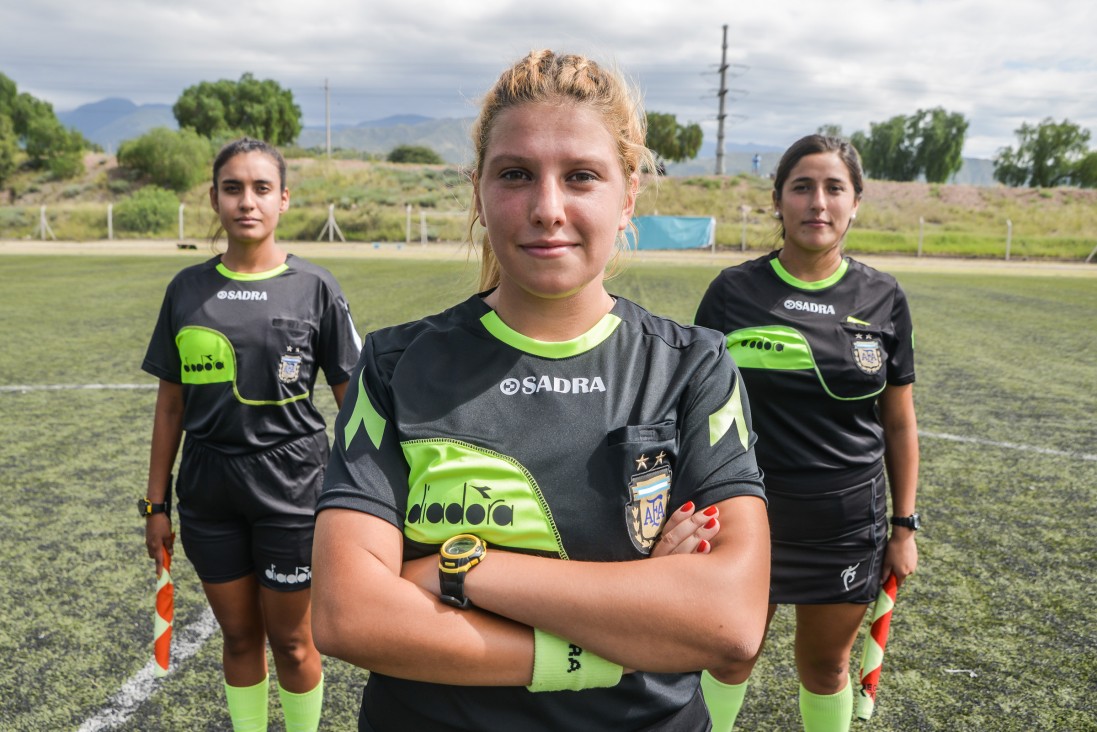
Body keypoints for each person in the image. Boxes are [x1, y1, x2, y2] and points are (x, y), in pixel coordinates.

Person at [311, 49, 771, 732]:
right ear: (478, 190)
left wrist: (457, 571)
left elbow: (726, 624)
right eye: (516, 175)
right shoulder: (393, 365)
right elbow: (350, 615)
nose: (546, 208)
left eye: (580, 176)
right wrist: (615, 636)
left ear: (629, 195)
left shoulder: (692, 369)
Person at [694, 134, 920, 732]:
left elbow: (898, 422)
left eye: (833, 188)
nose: (818, 202)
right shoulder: (732, 292)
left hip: (845, 521)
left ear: (855, 202)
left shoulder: (883, 297)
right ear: (778, 200)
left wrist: (904, 526)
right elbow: (696, 411)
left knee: (825, 667)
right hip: (748, 514)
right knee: (728, 656)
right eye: (802, 187)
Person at [141, 137, 362, 732]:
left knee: (292, 643)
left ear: (283, 199)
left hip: (291, 490)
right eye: (232, 188)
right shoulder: (186, 290)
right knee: (238, 637)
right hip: (209, 491)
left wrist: (364, 499)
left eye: (261, 188)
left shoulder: (315, 287)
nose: (247, 201)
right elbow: (169, 408)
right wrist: (156, 505)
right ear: (214, 198)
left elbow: (355, 406)